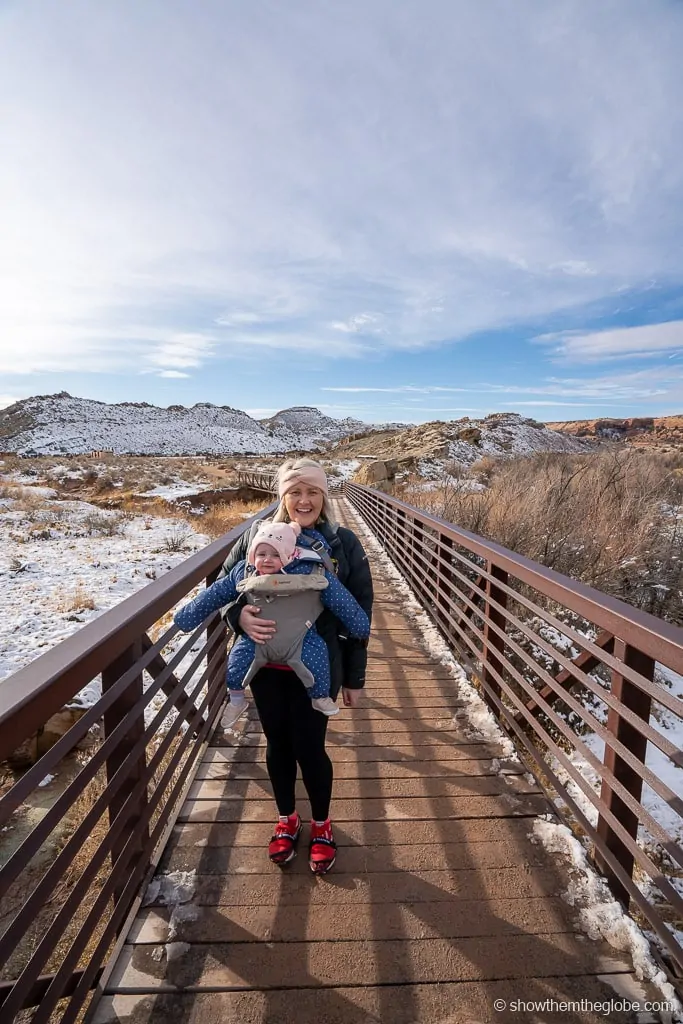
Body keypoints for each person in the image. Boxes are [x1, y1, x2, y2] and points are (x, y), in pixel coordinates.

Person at [219, 457, 373, 874]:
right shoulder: (256, 536)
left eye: (313, 492)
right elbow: (222, 586)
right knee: (277, 743)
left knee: (309, 745)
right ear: (281, 496)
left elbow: (360, 611)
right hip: (265, 666)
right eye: (295, 492)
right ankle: (287, 818)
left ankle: (321, 825)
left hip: (317, 666)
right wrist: (238, 617)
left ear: (323, 496)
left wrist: (355, 677)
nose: (304, 500)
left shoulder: (342, 543)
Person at [173, 520, 370, 720]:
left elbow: (344, 603)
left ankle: (319, 696)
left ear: (290, 555)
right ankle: (236, 700)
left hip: (302, 637)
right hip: (259, 646)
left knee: (318, 660)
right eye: (262, 554)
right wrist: (230, 615)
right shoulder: (244, 568)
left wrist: (361, 630)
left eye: (277, 555)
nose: (268, 560)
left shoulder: (312, 569)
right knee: (237, 662)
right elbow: (215, 594)